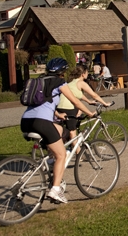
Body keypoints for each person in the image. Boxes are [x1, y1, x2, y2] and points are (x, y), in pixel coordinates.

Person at [20, 58, 95, 204]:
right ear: (63, 72)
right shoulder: (59, 82)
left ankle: (49, 163)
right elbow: (75, 101)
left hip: (26, 121)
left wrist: (58, 115)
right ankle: (55, 190)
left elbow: (42, 103)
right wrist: (90, 113)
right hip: (41, 122)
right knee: (62, 155)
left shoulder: (40, 81)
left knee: (60, 132)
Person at [56, 64, 111, 151]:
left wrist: (89, 102)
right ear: (83, 74)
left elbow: (78, 95)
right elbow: (94, 95)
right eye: (87, 72)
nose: (88, 74)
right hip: (68, 107)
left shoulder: (72, 82)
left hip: (60, 107)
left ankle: (72, 143)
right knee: (72, 132)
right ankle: (78, 153)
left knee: (79, 112)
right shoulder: (81, 83)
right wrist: (105, 103)